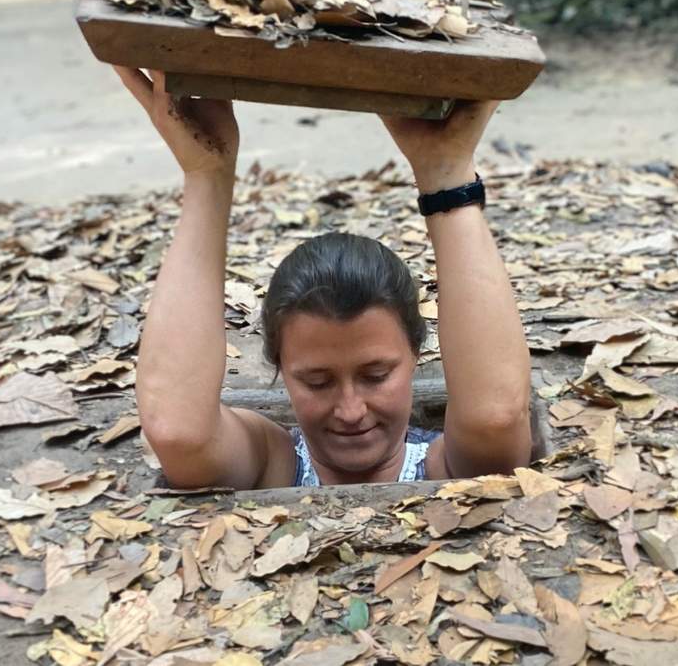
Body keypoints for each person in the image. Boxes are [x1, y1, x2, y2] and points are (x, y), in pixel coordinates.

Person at [115, 65, 532, 489]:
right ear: (280, 368)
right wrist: (207, 174)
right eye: (317, 382)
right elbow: (178, 432)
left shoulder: (447, 467)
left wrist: (447, 176)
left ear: (415, 354)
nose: (351, 411)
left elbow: (496, 417)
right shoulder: (272, 464)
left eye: (376, 376)